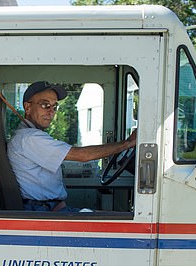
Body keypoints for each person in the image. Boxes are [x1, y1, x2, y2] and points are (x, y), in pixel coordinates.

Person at [7, 81, 137, 212]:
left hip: (49, 209)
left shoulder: (30, 137)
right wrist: (127, 144)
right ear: (27, 107)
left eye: (54, 106)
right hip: (44, 212)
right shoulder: (30, 138)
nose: (51, 111)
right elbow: (83, 156)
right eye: (45, 105)